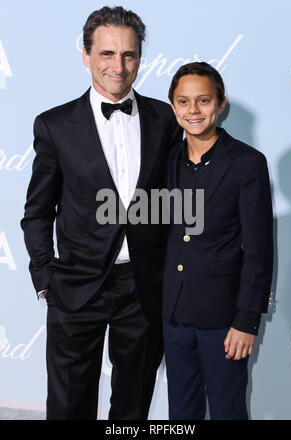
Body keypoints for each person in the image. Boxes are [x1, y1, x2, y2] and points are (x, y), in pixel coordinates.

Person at [21, 6, 182, 420]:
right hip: (76, 287)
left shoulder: (165, 118)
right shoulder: (54, 124)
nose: (119, 66)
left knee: (132, 410)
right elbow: (37, 211)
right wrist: (45, 279)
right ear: (86, 55)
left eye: (129, 54)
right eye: (107, 54)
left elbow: (174, 197)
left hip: (143, 287)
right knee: (70, 406)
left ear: (140, 57)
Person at [162, 62, 273, 420]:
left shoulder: (247, 163)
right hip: (172, 315)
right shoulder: (166, 162)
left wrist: (246, 321)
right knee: (181, 410)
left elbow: (259, 251)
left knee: (227, 410)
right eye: (183, 101)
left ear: (220, 103)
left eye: (203, 100)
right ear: (174, 106)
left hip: (224, 320)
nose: (193, 110)